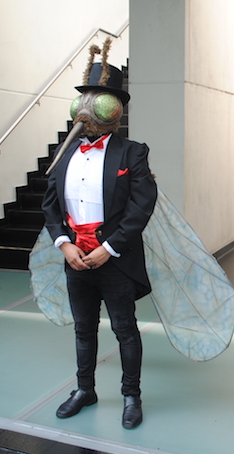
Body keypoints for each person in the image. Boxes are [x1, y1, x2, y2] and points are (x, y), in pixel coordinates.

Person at [41, 41, 157, 429]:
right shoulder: (65, 152)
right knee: (83, 328)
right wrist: (64, 243)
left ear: (115, 110)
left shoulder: (133, 153)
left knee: (125, 329)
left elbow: (141, 208)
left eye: (101, 101)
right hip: (76, 259)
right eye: (86, 99)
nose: (90, 108)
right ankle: (84, 389)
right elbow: (50, 206)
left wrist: (109, 248)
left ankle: (131, 395)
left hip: (115, 260)